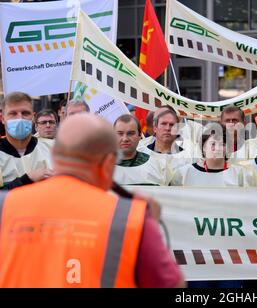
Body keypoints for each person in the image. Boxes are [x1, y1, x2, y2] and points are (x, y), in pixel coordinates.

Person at [0, 113, 185, 288]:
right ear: (108, 163)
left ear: (55, 156)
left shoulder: (5, 206)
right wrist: (150, 223)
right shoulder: (131, 217)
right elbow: (171, 284)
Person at [170, 123, 253, 187]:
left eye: (223, 144)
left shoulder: (240, 174)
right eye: (213, 144)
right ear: (204, 147)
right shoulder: (184, 173)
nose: (217, 148)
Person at [0, 92, 53, 189]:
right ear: (2, 118)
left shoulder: (53, 148)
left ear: (33, 117)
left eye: (25, 113)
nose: (20, 118)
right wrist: (27, 179)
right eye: (13, 113)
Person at [113, 114, 169, 186]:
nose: (125, 139)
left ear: (139, 135)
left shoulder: (158, 166)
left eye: (130, 133)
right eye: (120, 134)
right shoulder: (101, 168)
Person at [138, 106, 200, 171]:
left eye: (172, 125)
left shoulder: (191, 155)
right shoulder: (141, 152)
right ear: (155, 128)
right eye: (163, 124)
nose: (167, 128)